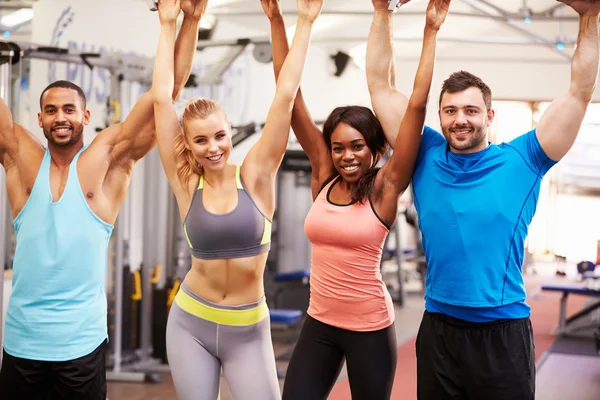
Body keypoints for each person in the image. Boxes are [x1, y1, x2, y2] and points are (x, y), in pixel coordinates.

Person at [366, 0, 600, 399]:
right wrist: (381, 11)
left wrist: (589, 16)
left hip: (503, 332)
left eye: (471, 110)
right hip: (439, 328)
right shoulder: (423, 152)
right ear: (439, 116)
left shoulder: (524, 159)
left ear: (489, 116)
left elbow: (579, 93)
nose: (461, 119)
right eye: (451, 110)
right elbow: (379, 86)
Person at [0, 2, 202, 399]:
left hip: (81, 344)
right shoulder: (20, 158)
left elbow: (166, 95)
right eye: (51, 110)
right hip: (22, 341)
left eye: (70, 110)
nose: (61, 117)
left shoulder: (109, 157)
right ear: (39, 119)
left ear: (86, 115)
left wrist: (187, 19)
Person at [263, 0, 451, 398]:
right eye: (337, 147)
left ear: (375, 148)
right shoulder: (323, 175)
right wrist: (279, 20)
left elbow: (415, 105)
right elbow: (287, 92)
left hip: (369, 328)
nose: (347, 156)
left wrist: (430, 32)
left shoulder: (385, 187)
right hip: (319, 324)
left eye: (357, 146)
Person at [150, 0, 321, 399]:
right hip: (190, 323)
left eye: (220, 136)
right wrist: (167, 23)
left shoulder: (256, 176)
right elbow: (161, 100)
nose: (213, 148)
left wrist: (306, 22)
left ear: (231, 133)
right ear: (188, 146)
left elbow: (286, 95)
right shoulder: (185, 182)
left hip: (248, 330)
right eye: (201, 140)